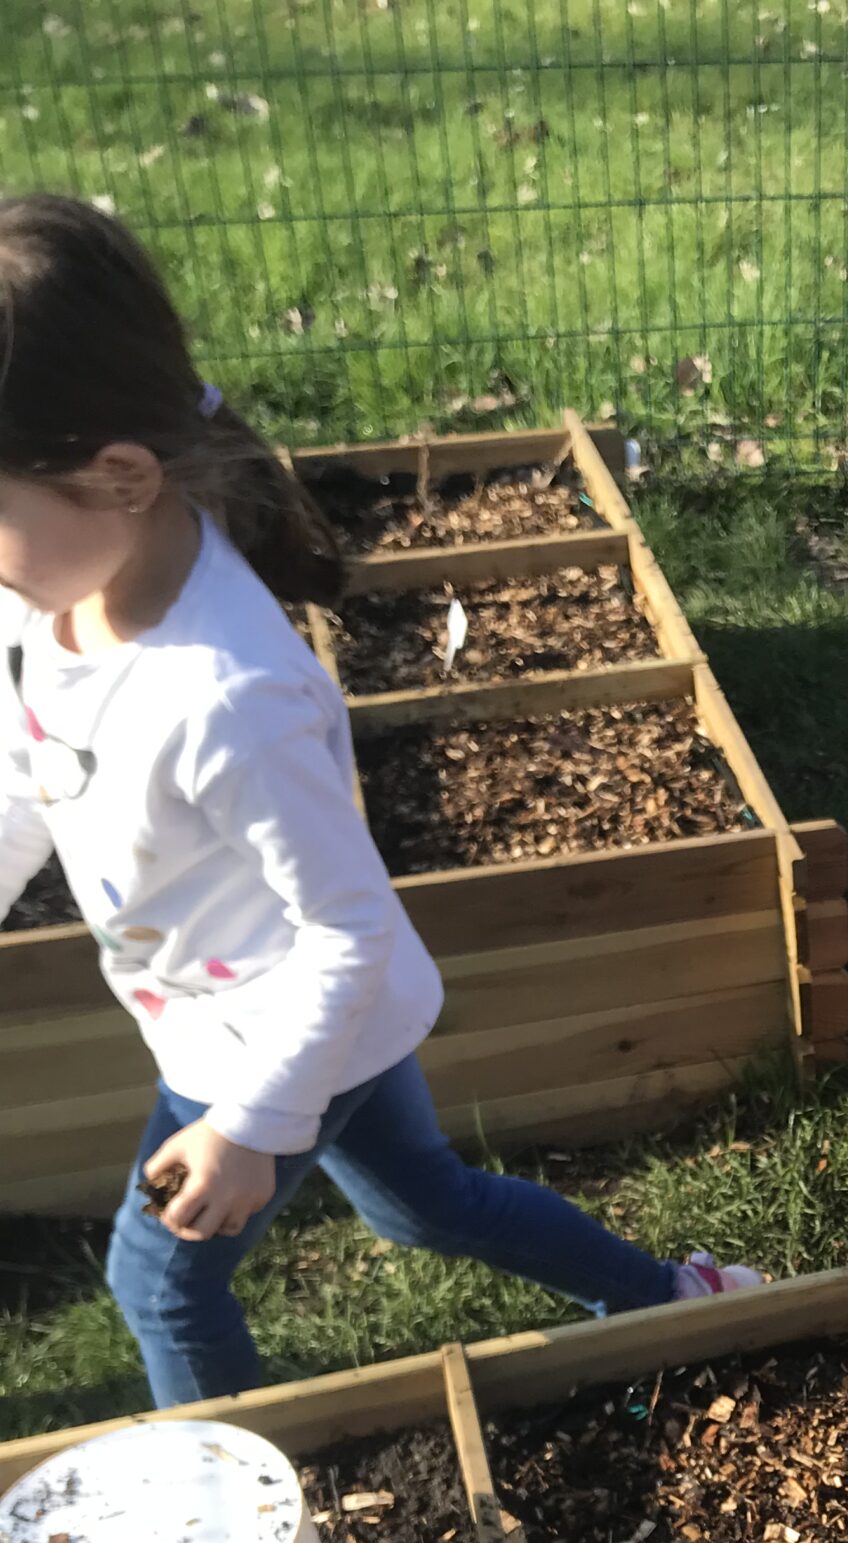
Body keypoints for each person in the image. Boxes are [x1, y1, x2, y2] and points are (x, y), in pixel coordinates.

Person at [0, 196, 758, 1409]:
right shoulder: (44, 600)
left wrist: (250, 1122)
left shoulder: (229, 699)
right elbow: (27, 769)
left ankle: (248, 1529)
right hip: (245, 1017)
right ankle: (670, 1298)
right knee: (428, 1208)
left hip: (272, 1033)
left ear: (121, 477)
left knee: (162, 1289)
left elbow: (346, 934)